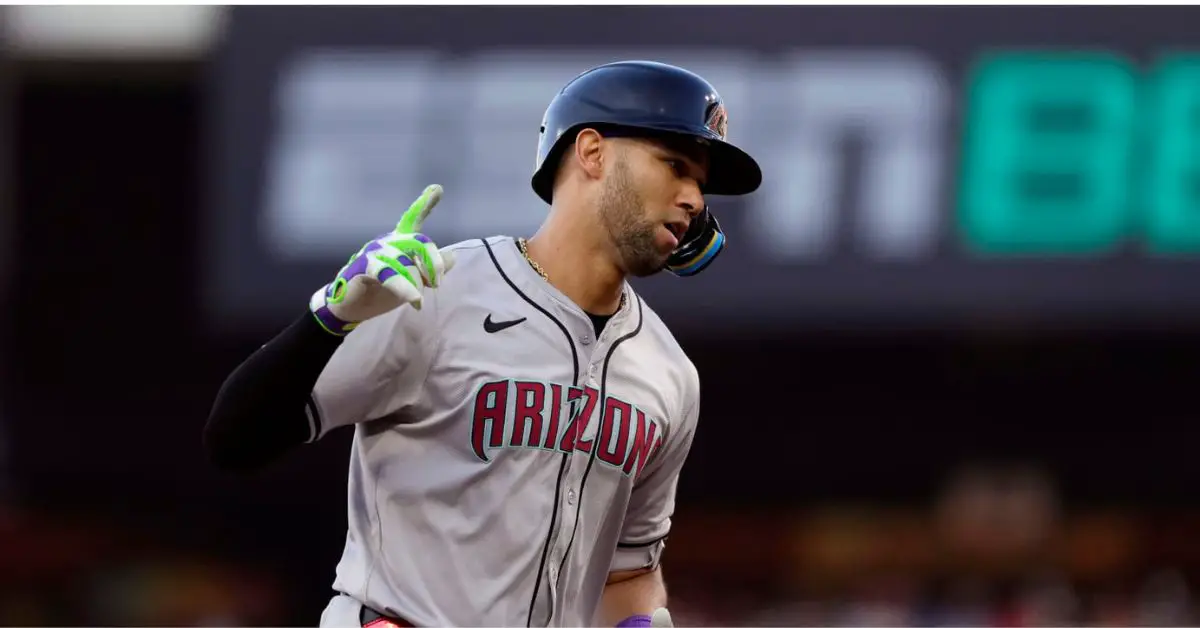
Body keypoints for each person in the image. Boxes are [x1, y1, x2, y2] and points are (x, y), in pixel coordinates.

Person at [204, 59, 762, 628]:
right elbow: (235, 440)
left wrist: (639, 622)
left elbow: (626, 567)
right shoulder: (438, 292)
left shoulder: (668, 373)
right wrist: (328, 320)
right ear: (592, 152)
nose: (694, 198)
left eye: (701, 182)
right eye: (675, 165)